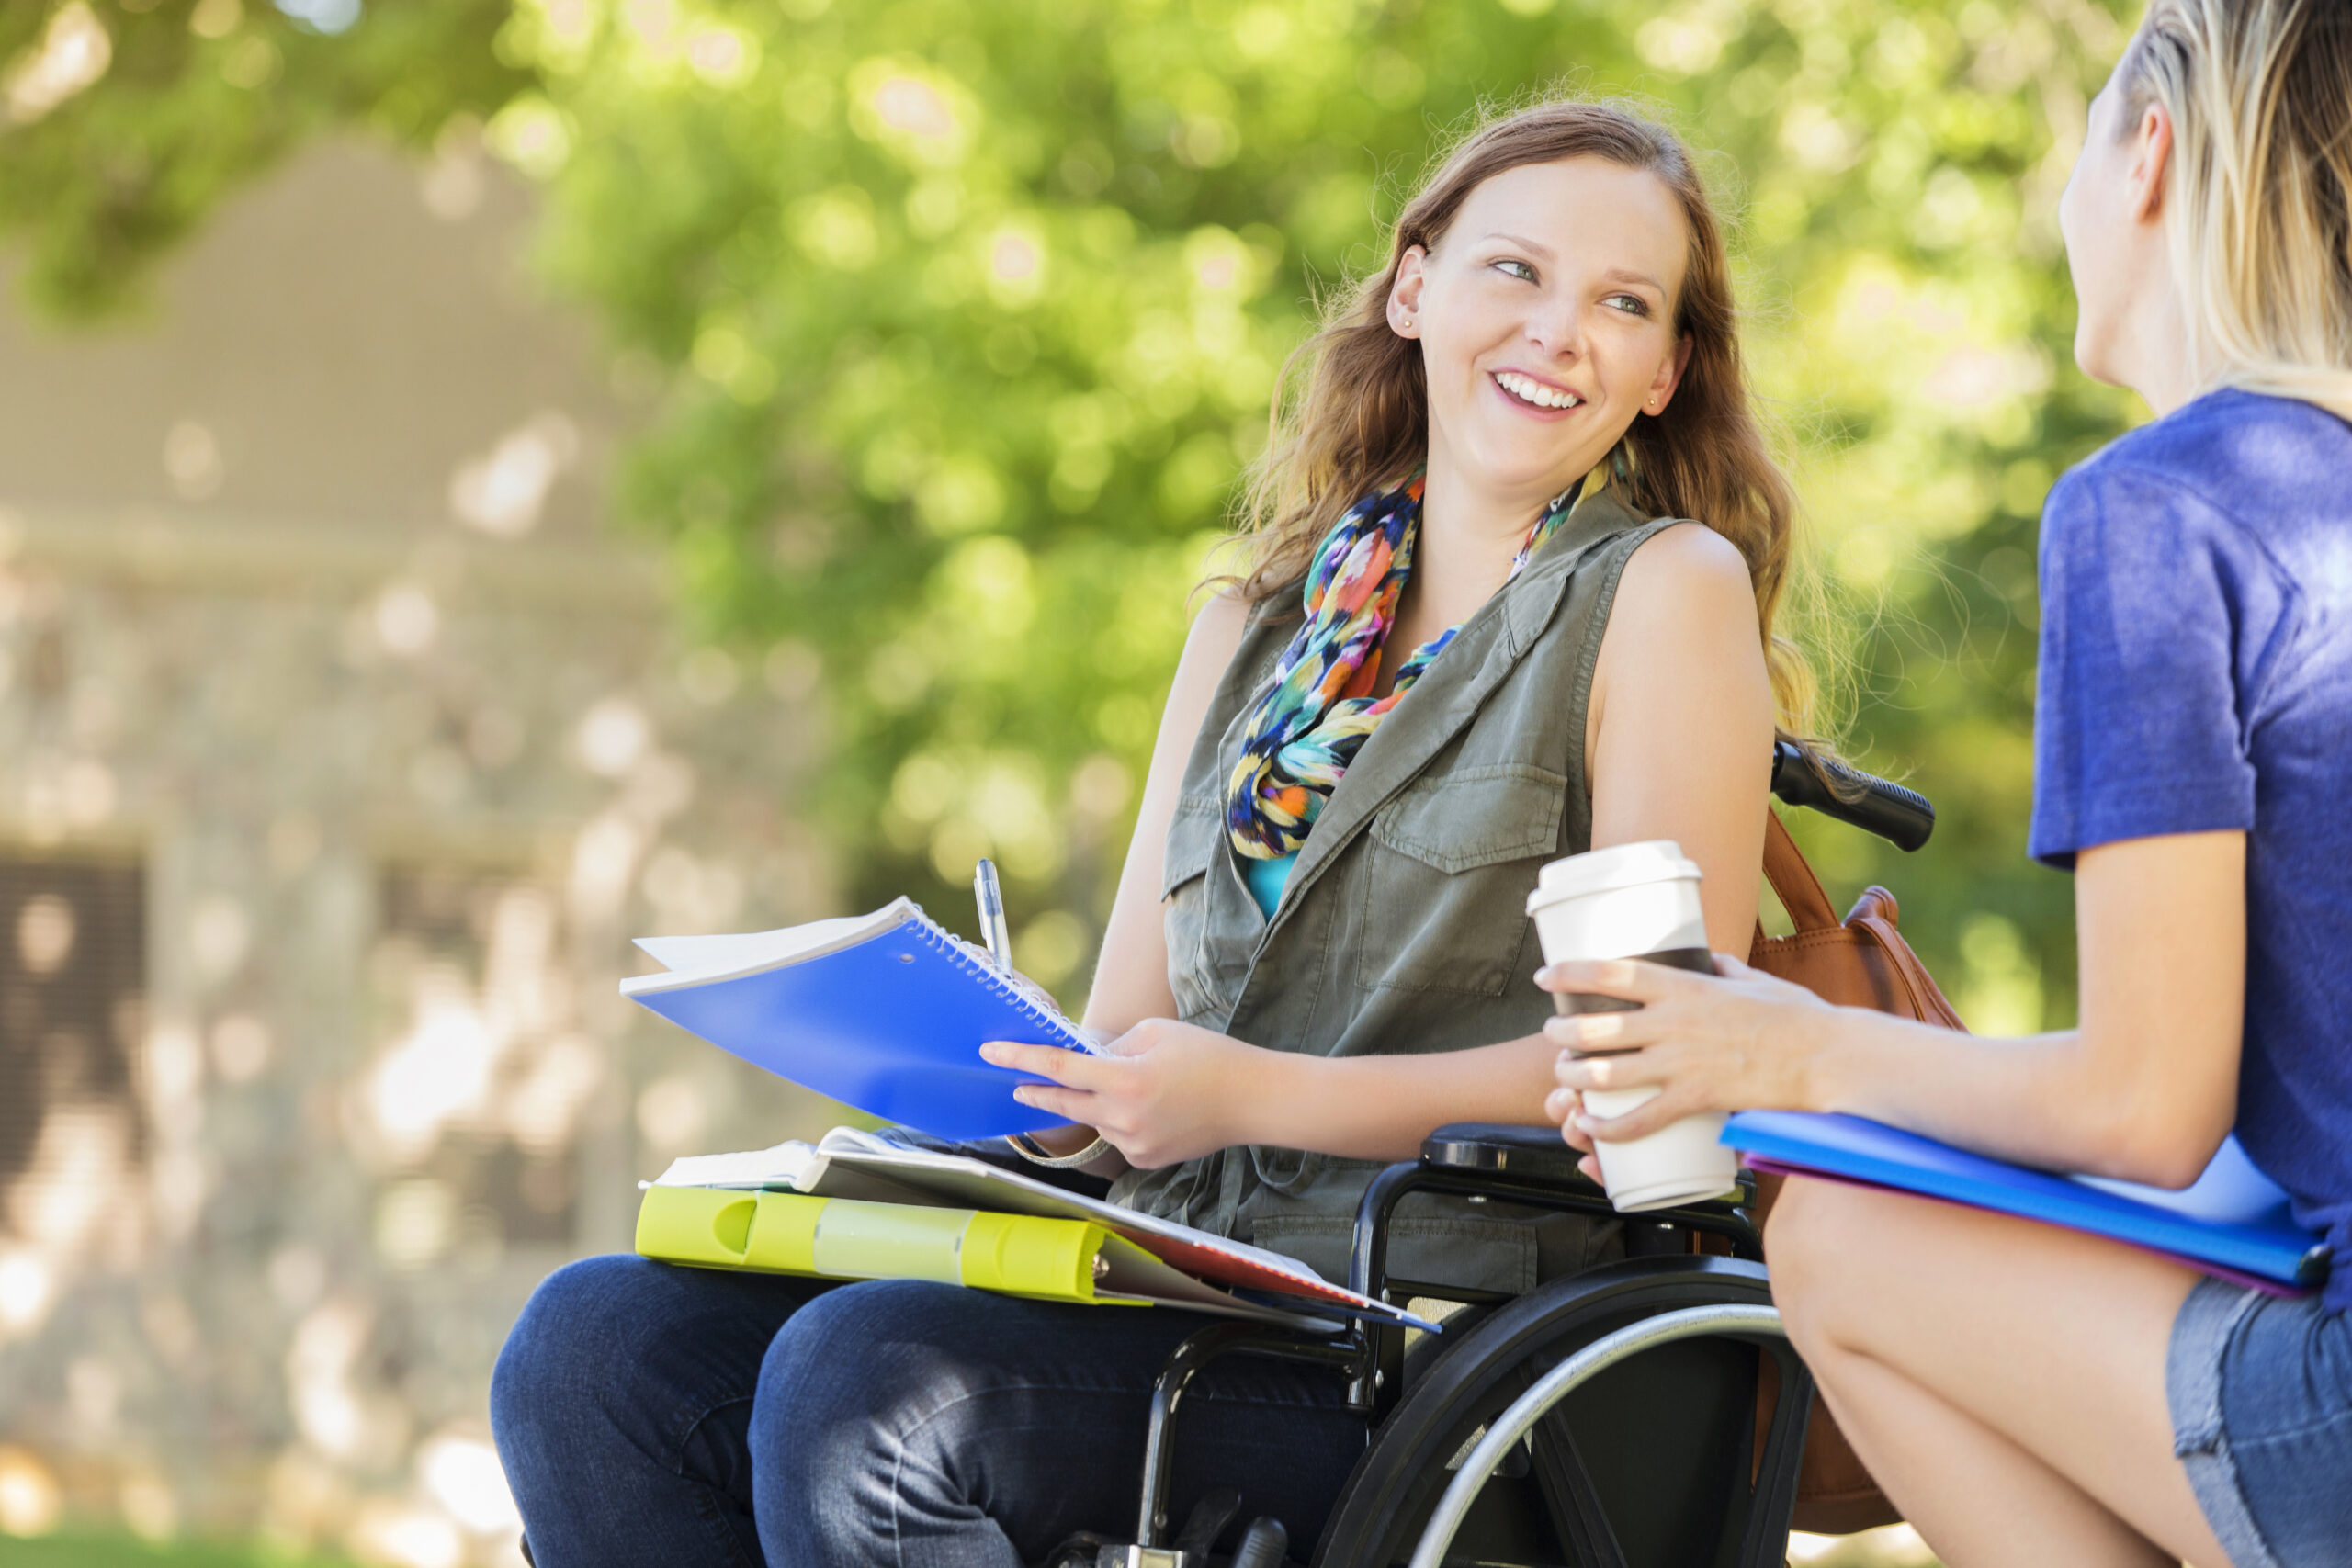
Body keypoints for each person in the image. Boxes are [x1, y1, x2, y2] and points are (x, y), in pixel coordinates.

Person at [493, 97, 1807, 1566]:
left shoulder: (1661, 593)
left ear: (1666, 371)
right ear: (1417, 283)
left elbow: (1649, 1064)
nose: (1560, 329)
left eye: (1622, 303)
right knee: (593, 1347)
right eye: (1517, 272)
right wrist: (1031, 1083)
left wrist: (1245, 1095)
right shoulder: (1253, 627)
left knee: (878, 1391)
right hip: (1180, 1269)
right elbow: (1131, 1033)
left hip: (1435, 1338)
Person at [1538, 5, 2352, 1565]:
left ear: (2150, 159)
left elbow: (2144, 1107)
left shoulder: (2167, 510)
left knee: (1843, 1239)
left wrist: (1791, 1049)